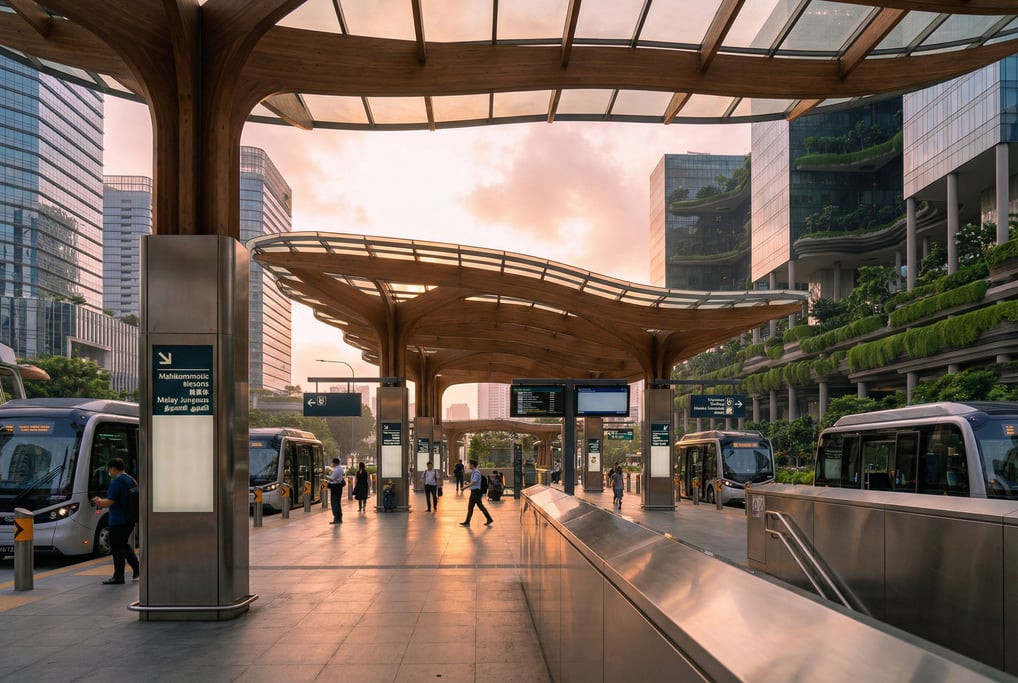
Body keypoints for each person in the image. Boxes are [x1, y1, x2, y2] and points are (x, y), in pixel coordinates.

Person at [90, 457, 140, 585]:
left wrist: (98, 501)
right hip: (129, 519)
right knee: (123, 544)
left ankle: (119, 576)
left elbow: (110, 502)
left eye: (109, 470)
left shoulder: (116, 482)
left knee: (117, 548)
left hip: (118, 520)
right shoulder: (130, 480)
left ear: (113, 468)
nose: (109, 473)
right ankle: (137, 570)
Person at [459, 459, 493, 527]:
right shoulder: (474, 472)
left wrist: (465, 487)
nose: (469, 465)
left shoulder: (476, 473)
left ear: (472, 465)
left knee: (479, 506)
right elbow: (474, 482)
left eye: (469, 464)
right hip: (474, 492)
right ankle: (467, 521)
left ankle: (489, 519)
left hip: (476, 492)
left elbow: (474, 482)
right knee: (471, 507)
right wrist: (468, 484)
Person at [327, 458, 345, 524]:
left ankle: (336, 518)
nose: (332, 464)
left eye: (332, 463)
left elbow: (332, 478)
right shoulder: (340, 469)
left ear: (335, 463)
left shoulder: (336, 470)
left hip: (335, 487)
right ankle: (339, 518)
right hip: (339, 486)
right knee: (338, 502)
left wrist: (327, 477)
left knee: (334, 503)